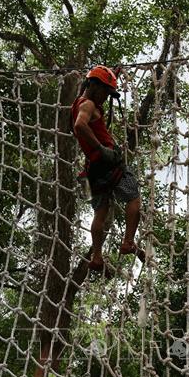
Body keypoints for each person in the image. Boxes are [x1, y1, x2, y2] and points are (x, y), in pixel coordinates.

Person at [72, 65, 144, 274]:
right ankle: (128, 242)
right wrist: (102, 150)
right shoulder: (87, 105)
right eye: (105, 92)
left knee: (100, 213)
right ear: (94, 86)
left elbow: (91, 91)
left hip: (92, 171)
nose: (106, 97)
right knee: (134, 198)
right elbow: (80, 126)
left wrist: (112, 76)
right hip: (108, 165)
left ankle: (96, 257)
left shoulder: (79, 102)